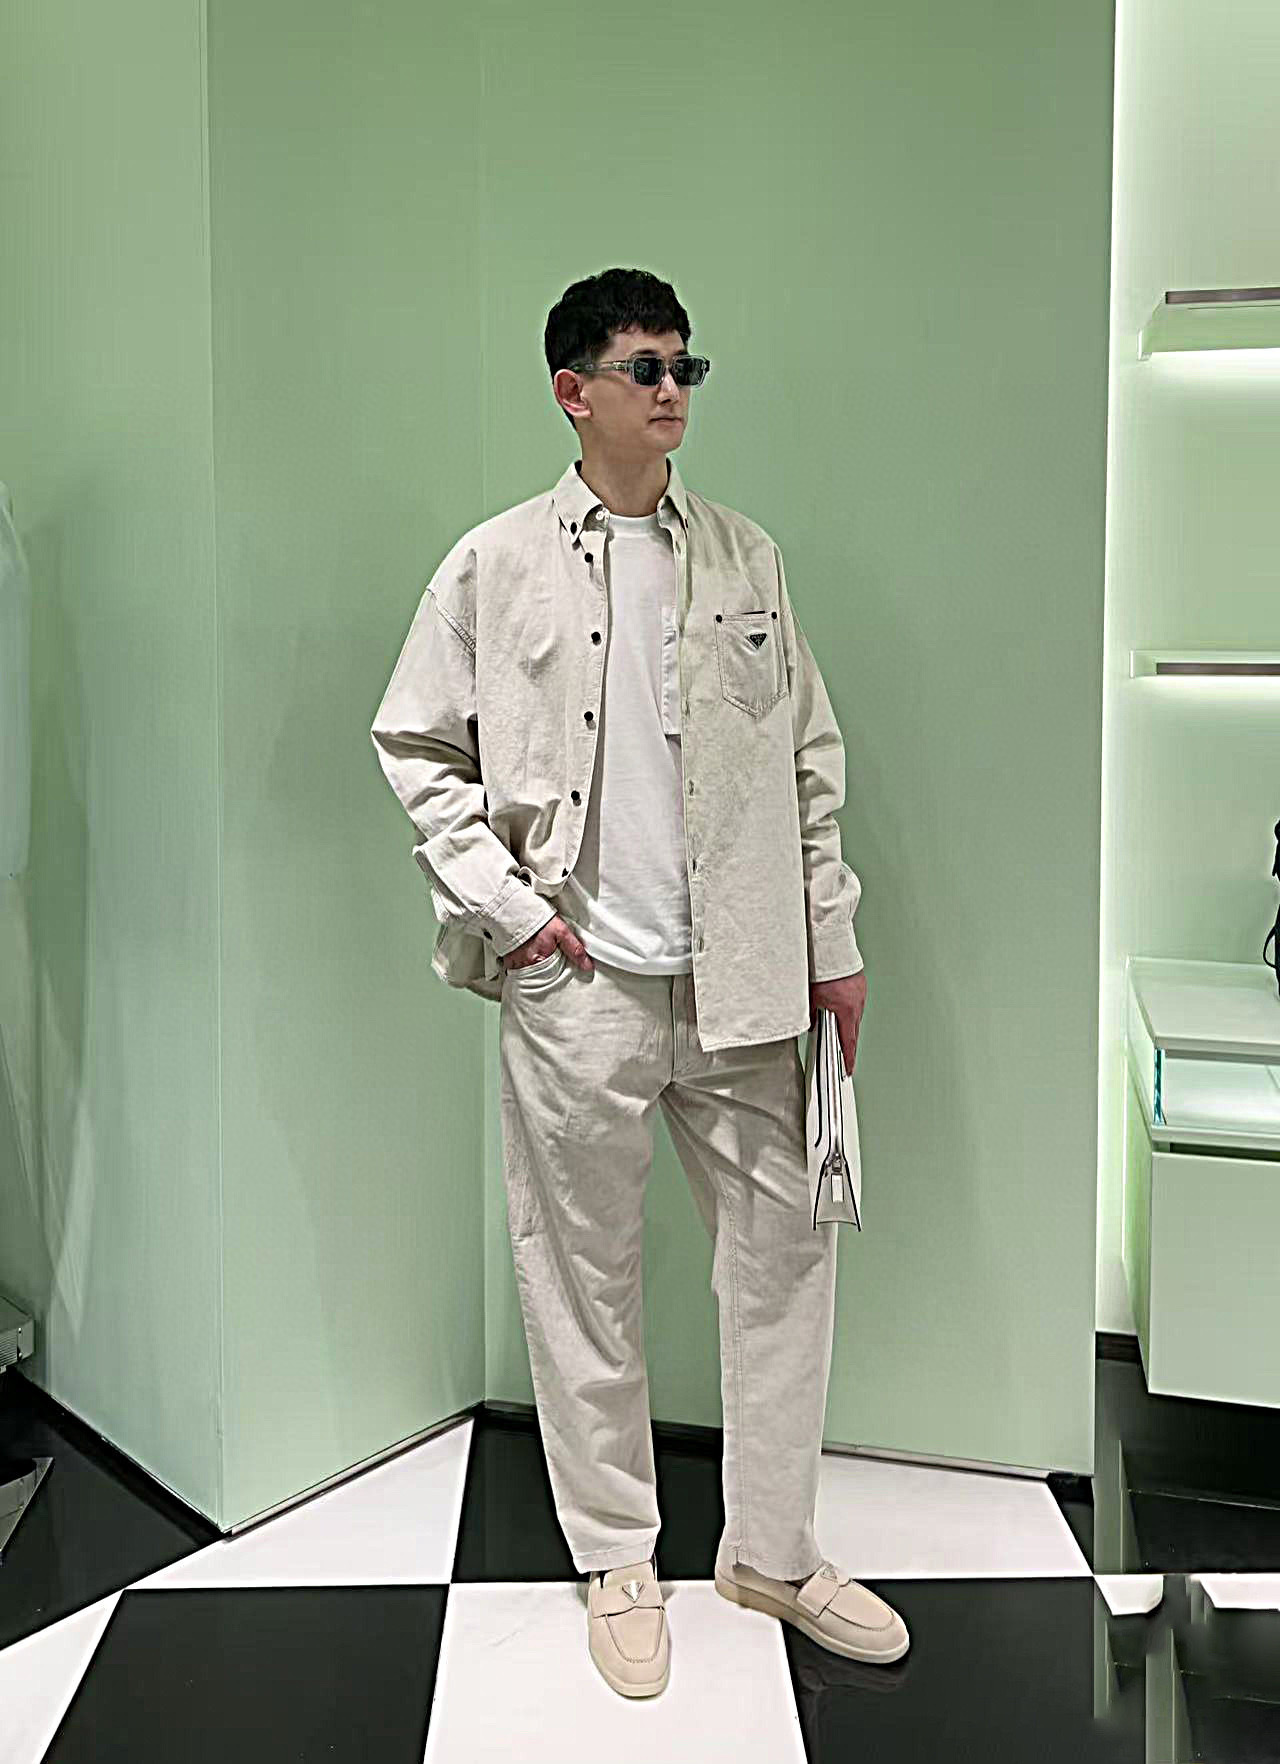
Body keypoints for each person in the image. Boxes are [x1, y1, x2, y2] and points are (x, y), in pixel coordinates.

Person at [370, 267, 909, 1698]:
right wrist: (512, 917)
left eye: (686, 367)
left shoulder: (745, 557)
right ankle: (617, 1555)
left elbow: (808, 764)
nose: (673, 391)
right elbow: (416, 747)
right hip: (581, 987)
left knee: (789, 1256)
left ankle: (774, 1551)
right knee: (581, 1278)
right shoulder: (492, 565)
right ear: (575, 392)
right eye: (645, 367)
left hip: (749, 981)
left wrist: (835, 947)